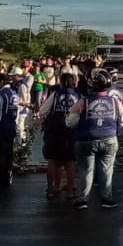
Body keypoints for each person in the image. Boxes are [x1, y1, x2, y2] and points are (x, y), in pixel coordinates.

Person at [67, 68, 123, 210]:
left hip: (86, 140)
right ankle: (107, 199)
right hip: (109, 139)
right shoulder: (115, 101)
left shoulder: (83, 102)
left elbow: (70, 122)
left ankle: (82, 200)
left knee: (86, 170)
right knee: (106, 170)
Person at [38, 73, 80, 202]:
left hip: (55, 131)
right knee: (70, 161)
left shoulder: (55, 94)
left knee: (53, 160)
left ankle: (51, 189)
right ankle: (69, 191)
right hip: (71, 131)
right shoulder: (78, 96)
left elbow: (42, 111)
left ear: (61, 82)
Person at [0, 70, 26, 188]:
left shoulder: (0, 95)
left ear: (2, 82)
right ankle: (8, 176)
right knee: (9, 153)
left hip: (1, 128)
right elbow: (17, 112)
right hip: (11, 126)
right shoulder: (14, 94)